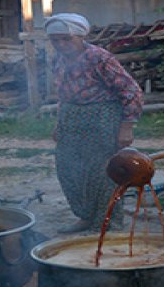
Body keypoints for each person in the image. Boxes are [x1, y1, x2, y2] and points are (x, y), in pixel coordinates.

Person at [46, 13, 144, 233]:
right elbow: (63, 93)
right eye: (55, 40)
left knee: (102, 174)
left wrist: (126, 126)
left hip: (101, 117)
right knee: (69, 170)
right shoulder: (57, 59)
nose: (60, 45)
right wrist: (59, 123)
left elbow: (131, 91)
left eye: (66, 39)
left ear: (80, 37)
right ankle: (86, 216)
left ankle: (109, 223)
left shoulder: (99, 58)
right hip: (71, 118)